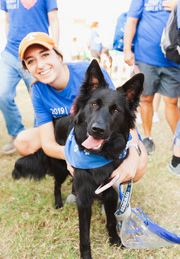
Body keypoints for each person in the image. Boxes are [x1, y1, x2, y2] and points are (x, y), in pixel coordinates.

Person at [15, 32, 147, 187]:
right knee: (23, 142)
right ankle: (68, 172)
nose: (40, 65)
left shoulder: (89, 74)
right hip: (66, 134)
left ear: (58, 55)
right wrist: (73, 157)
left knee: (138, 166)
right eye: (31, 61)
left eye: (45, 55)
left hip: (105, 131)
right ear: (27, 69)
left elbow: (122, 115)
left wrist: (132, 154)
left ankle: (107, 183)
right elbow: (48, 143)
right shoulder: (38, 90)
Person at [0, 0, 59, 154]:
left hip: (36, 54)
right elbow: (7, 21)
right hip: (11, 53)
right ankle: (16, 134)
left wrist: (54, 50)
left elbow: (54, 20)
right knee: (2, 93)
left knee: (38, 98)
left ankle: (38, 141)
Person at [123, 0, 180, 155]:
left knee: (172, 101)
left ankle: (177, 140)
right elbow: (132, 20)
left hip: (173, 59)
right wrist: (127, 49)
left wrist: (179, 6)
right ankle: (147, 138)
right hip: (146, 57)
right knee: (146, 98)